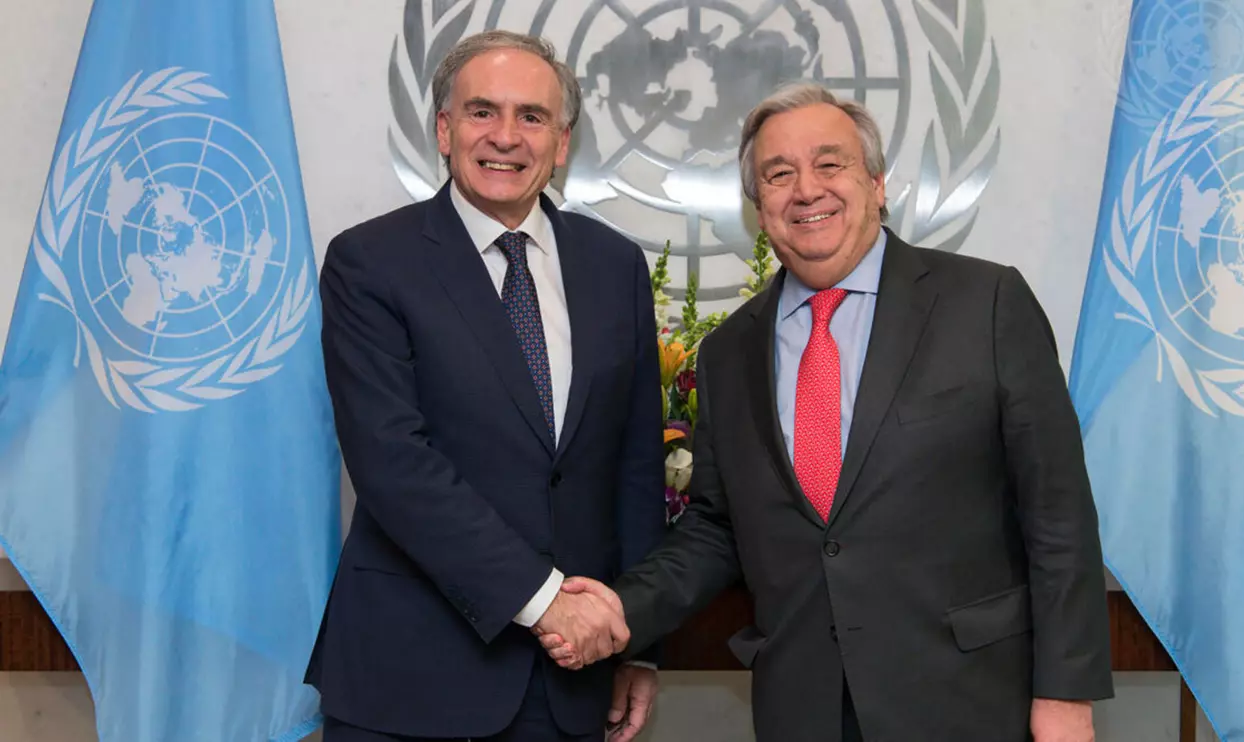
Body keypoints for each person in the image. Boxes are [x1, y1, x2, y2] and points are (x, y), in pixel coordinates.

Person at [540, 83, 1114, 742]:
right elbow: (717, 529)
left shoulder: (985, 303)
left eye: (829, 163)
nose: (806, 189)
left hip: (971, 702)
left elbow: (1057, 514)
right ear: (759, 209)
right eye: (778, 174)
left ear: (877, 183)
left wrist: (1065, 693)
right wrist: (622, 609)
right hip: (803, 706)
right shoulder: (728, 353)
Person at [304, 30, 665, 742]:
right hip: (409, 679)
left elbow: (634, 466)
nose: (506, 136)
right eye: (481, 112)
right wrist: (544, 600)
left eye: (532, 116)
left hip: (570, 683)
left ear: (561, 142)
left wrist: (638, 639)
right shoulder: (370, 262)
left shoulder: (614, 265)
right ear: (444, 130)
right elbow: (393, 462)